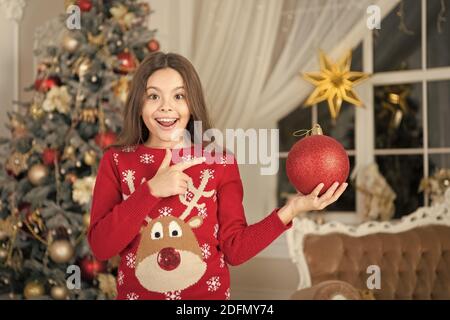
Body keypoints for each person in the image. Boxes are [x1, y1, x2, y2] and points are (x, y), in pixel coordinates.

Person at [88, 52, 348, 300]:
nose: (166, 107)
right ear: (139, 104)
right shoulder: (117, 161)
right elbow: (101, 247)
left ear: (192, 104)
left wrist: (291, 210)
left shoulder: (220, 163)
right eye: (153, 96)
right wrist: (151, 191)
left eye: (179, 96)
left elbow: (235, 250)